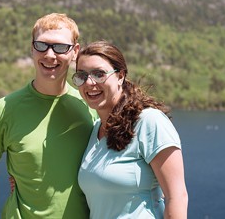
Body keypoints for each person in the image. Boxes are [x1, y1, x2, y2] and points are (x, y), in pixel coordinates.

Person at [0, 13, 96, 219]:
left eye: (60, 47)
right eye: (42, 45)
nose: (49, 55)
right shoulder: (4, 109)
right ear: (31, 48)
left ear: (75, 52)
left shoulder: (90, 106)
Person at [74, 41, 187, 219]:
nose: (89, 83)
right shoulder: (96, 130)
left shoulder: (149, 121)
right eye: (82, 75)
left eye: (99, 74)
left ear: (120, 76)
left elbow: (177, 197)